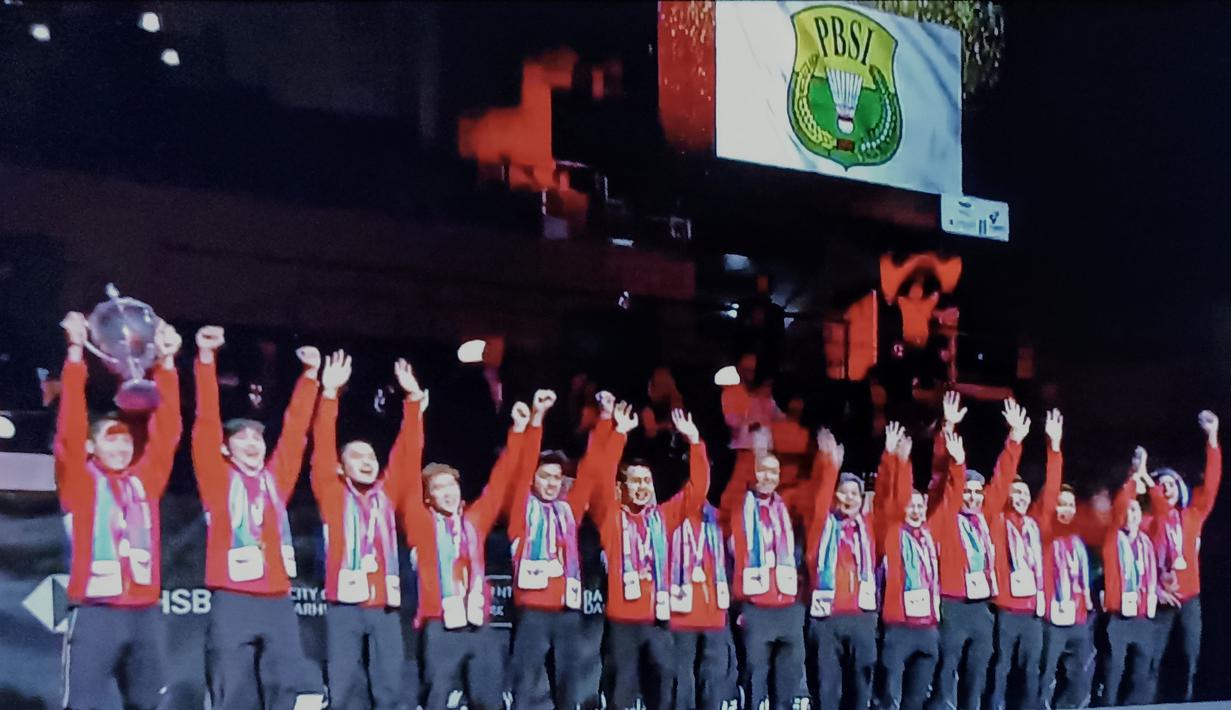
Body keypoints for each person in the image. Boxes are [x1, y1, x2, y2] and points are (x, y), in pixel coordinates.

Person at [55, 311, 182, 710]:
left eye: (127, 441)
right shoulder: (79, 481)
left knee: (148, 703)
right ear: (93, 447)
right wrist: (76, 353)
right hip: (96, 612)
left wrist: (166, 363)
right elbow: (71, 430)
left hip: (146, 612)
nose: (123, 447)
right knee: (85, 703)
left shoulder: (144, 480)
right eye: (112, 440)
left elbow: (168, 431)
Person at [192, 325, 322, 709]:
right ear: (226, 449)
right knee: (232, 688)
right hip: (233, 599)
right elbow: (205, 424)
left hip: (278, 600)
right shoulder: (217, 480)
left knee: (285, 685)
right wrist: (205, 360)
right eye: (242, 438)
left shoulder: (274, 480)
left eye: (258, 438)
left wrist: (310, 378)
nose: (252, 443)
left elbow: (296, 431)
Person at [404, 389, 551, 710]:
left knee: (489, 699)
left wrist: (518, 432)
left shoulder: (475, 521)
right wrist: (415, 415)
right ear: (427, 497)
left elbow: (501, 480)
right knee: (436, 699)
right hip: (439, 625)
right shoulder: (421, 522)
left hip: (479, 625)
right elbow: (406, 467)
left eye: (451, 485)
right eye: (438, 488)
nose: (447, 493)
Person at [311, 351, 426, 709]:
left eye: (371, 457)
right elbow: (322, 447)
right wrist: (329, 396)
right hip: (345, 605)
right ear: (342, 468)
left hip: (384, 606)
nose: (367, 461)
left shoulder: (386, 495)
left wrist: (413, 401)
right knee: (344, 686)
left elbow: (407, 454)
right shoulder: (332, 493)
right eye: (356, 456)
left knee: (390, 685)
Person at [505, 390, 621, 710]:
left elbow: (592, 468)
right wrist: (537, 418)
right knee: (526, 684)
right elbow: (522, 464)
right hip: (533, 613)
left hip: (569, 613)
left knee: (569, 684)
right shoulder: (521, 510)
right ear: (533, 481)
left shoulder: (569, 510)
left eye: (557, 477)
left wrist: (605, 420)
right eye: (545, 477)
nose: (553, 483)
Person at [590, 402, 709, 710]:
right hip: (622, 624)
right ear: (623, 487)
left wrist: (695, 442)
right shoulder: (610, 518)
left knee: (665, 691)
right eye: (635, 481)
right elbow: (601, 481)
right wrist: (618, 435)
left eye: (647, 481)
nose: (642, 487)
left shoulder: (662, 517)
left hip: (658, 622)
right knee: (621, 696)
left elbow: (697, 491)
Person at [928, 393, 1026, 710]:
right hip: (953, 605)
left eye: (977, 493)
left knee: (978, 671)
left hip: (982, 607)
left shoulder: (986, 517)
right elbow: (946, 480)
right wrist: (949, 430)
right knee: (947, 669)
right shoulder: (947, 517)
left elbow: (1003, 478)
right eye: (967, 492)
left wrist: (1014, 440)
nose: (972, 498)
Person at [804, 427, 887, 710]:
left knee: (861, 688)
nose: (849, 498)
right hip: (826, 620)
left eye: (855, 493)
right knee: (827, 689)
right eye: (843, 492)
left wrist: (891, 458)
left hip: (862, 619)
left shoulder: (870, 530)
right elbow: (819, 500)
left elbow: (891, 501)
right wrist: (831, 466)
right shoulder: (821, 528)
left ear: (863, 499)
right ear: (835, 496)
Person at [1144, 410, 1220, 703]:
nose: (1167, 490)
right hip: (1163, 598)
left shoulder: (1193, 516)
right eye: (1161, 486)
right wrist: (1156, 590)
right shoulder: (1149, 523)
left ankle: (1189, 702)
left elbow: (1211, 484)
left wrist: (1212, 438)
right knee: (1154, 659)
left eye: (1172, 485)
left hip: (1189, 598)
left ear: (1181, 490)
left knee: (1191, 655)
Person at [725, 447, 805, 710]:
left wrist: (829, 462)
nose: (767, 476)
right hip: (755, 607)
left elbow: (818, 492)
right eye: (762, 470)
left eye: (774, 471)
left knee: (786, 686)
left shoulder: (787, 506)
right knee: (754, 684)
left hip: (788, 608)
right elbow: (733, 487)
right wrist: (751, 448)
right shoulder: (739, 506)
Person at [877, 424, 942, 710]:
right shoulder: (893, 533)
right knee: (890, 699)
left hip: (928, 629)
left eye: (920, 506)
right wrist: (896, 459)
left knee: (916, 701)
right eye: (910, 506)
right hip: (899, 628)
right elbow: (890, 499)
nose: (915, 510)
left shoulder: (930, 536)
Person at [1036, 410, 1098, 709]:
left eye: (1069, 505)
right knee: (1045, 678)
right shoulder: (1046, 533)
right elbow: (1050, 490)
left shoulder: (1077, 542)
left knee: (1080, 679)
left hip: (1078, 619)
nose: (1064, 509)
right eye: (1060, 504)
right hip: (1051, 619)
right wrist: (1054, 447)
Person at [988, 401, 1045, 710]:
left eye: (1025, 494)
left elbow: (1050, 498)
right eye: (1016, 494)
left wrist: (1055, 445)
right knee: (1002, 667)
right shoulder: (998, 522)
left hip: (1033, 612)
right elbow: (998, 484)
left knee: (1032, 669)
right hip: (1008, 611)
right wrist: (1014, 441)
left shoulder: (1034, 528)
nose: (1020, 498)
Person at [1096, 447, 1160, 707]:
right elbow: (1123, 501)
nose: (1130, 515)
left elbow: (1163, 512)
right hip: (1119, 618)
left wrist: (1145, 475)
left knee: (1141, 675)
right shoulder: (1112, 540)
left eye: (1135, 512)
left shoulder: (1146, 542)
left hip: (1143, 618)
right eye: (1127, 511)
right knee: (1113, 672)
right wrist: (1135, 475)